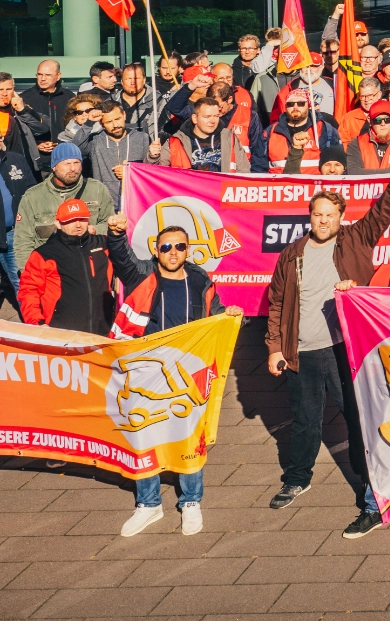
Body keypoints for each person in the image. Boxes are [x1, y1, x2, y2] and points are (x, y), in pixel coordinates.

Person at [263, 156, 390, 537]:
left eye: (330, 215)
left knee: (357, 420)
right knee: (304, 420)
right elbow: (278, 302)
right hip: (303, 352)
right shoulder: (292, 254)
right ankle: (297, 478)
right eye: (317, 214)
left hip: (346, 348)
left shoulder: (356, 239)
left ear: (340, 217)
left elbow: (384, 210)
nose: (323, 220)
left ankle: (371, 488)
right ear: (309, 216)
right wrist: (275, 347)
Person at [105, 211, 229, 536]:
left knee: (188, 435)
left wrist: (231, 317)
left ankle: (191, 502)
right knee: (143, 434)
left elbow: (215, 313)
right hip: (146, 370)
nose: (173, 252)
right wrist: (116, 234)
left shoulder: (200, 280)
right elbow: (122, 260)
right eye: (166, 247)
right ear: (156, 251)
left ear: (188, 250)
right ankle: (148, 504)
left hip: (186, 372)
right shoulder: (143, 275)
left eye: (179, 247)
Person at [13, 140, 113, 271]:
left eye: (76, 163)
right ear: (54, 167)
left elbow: (111, 226)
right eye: (67, 163)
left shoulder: (97, 189)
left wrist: (94, 229)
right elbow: (23, 242)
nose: (72, 168)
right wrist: (30, 274)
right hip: (51, 270)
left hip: (90, 267)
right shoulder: (32, 197)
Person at [19, 198, 113, 332]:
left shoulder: (104, 244)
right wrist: (37, 324)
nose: (78, 225)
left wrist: (118, 235)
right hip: (62, 332)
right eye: (70, 221)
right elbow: (29, 291)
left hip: (103, 329)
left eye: (82, 219)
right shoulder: (44, 254)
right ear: (57, 223)